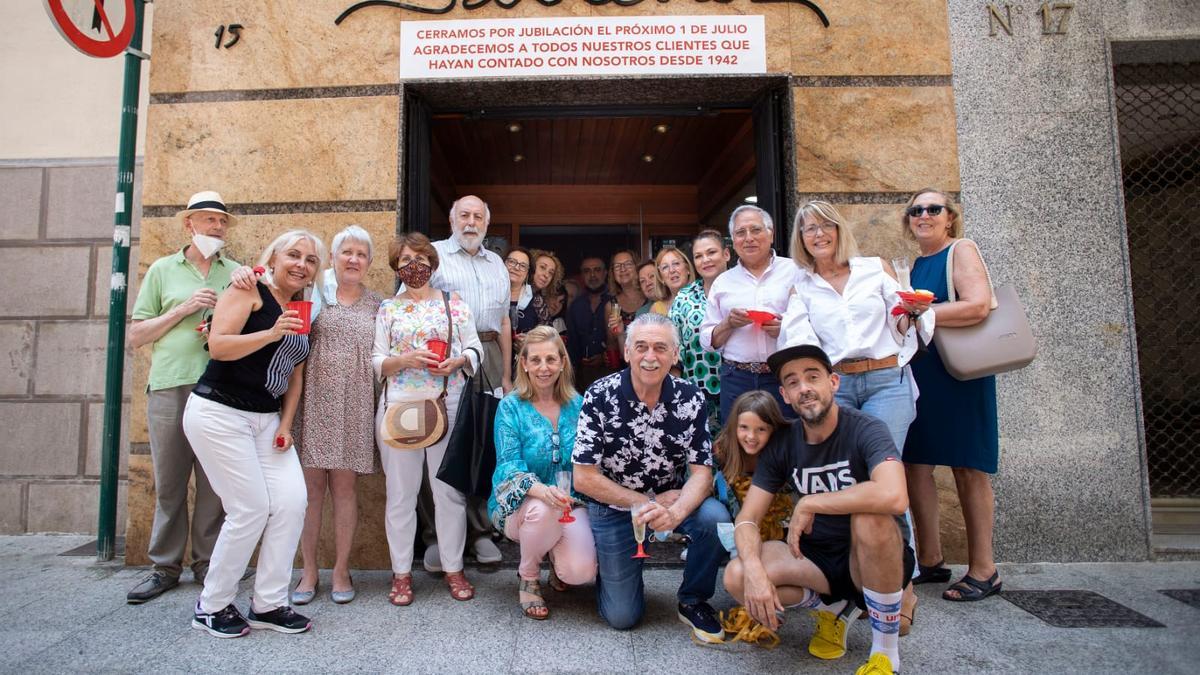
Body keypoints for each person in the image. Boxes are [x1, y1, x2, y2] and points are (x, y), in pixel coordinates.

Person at [780, 200, 933, 633]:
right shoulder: (803, 286)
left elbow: (907, 317)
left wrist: (914, 314)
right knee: (843, 479)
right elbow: (800, 339)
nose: (818, 235)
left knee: (885, 478)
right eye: (809, 229)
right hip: (839, 386)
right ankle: (853, 581)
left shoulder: (873, 268)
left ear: (838, 229)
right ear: (802, 239)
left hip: (886, 378)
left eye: (825, 226)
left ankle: (903, 585)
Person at [723, 344, 913, 675]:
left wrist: (812, 501)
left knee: (871, 516)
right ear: (784, 394)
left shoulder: (865, 428)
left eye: (812, 377)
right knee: (736, 575)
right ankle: (836, 605)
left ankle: (885, 655)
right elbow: (747, 518)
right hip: (817, 559)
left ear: (834, 382)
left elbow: (895, 496)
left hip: (870, 555)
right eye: (793, 382)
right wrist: (753, 569)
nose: (804, 388)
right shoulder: (784, 442)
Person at [182, 229, 326, 638]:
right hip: (219, 412)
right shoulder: (249, 290)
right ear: (275, 259)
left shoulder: (300, 307)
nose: (301, 264)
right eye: (294, 256)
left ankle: (268, 603)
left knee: (292, 502)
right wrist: (270, 333)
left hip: (266, 419)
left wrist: (285, 425)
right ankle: (211, 606)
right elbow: (218, 346)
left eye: (310, 260)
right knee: (249, 508)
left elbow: (295, 375)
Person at [572, 313, 731, 642]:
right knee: (623, 617)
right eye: (641, 346)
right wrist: (648, 502)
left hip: (671, 502)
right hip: (614, 506)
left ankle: (693, 599)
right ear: (627, 351)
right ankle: (614, 571)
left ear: (675, 355)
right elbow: (584, 478)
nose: (650, 356)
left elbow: (702, 473)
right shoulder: (599, 395)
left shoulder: (691, 398)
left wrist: (673, 513)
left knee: (715, 519)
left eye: (660, 348)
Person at [125, 191, 241, 604]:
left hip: (221, 387)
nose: (218, 228)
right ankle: (164, 566)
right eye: (210, 220)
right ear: (189, 224)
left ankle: (207, 562)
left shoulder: (236, 272)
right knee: (170, 481)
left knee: (215, 483)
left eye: (223, 222)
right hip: (170, 385)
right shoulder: (162, 270)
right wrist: (183, 309)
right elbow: (136, 335)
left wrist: (220, 332)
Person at [898, 188, 1002, 603]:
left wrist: (924, 312)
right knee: (916, 465)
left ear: (949, 217)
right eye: (916, 210)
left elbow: (978, 305)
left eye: (933, 209)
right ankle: (931, 559)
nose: (924, 215)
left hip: (961, 372)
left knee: (967, 466)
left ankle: (984, 569)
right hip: (924, 373)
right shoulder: (917, 264)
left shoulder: (961, 250)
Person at [374, 232, 483, 606]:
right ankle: (401, 573)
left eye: (419, 258)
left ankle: (454, 568)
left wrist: (460, 361)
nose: (413, 266)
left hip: (445, 403)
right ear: (396, 267)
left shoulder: (454, 304)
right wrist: (404, 360)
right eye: (404, 260)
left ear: (432, 264)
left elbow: (474, 347)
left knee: (448, 494)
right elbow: (376, 361)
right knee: (400, 496)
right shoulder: (388, 309)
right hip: (398, 407)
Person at [290, 226, 383, 606]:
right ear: (333, 258)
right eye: (347, 252)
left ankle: (342, 569)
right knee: (310, 494)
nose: (354, 259)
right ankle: (309, 571)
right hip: (313, 403)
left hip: (356, 404)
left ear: (369, 263)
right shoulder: (313, 296)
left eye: (361, 253)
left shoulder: (379, 304)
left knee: (345, 491)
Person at [490, 326, 597, 620]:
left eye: (551, 359)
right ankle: (528, 575)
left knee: (580, 572)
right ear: (523, 363)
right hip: (521, 505)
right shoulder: (510, 407)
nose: (543, 367)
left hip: (570, 502)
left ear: (562, 362)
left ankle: (555, 559)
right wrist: (541, 491)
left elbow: (591, 460)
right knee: (542, 510)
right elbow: (508, 463)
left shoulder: (579, 405)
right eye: (535, 360)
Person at [426, 195, 509, 568]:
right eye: (464, 215)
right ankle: (434, 537)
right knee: (439, 446)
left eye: (478, 216)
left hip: (488, 356)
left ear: (487, 224)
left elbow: (504, 322)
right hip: (445, 355)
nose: (471, 222)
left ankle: (479, 532)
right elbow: (408, 304)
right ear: (452, 218)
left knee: (480, 445)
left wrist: (507, 374)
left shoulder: (497, 265)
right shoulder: (432, 254)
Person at [700, 205, 801, 423]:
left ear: (770, 234)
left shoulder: (796, 271)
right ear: (733, 241)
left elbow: (816, 323)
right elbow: (708, 341)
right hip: (737, 377)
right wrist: (728, 323)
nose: (748, 238)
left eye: (755, 230)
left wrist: (787, 329)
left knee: (788, 445)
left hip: (784, 374)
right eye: (740, 233)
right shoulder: (723, 281)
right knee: (738, 447)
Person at [713, 391, 794, 546]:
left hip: (778, 529)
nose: (751, 436)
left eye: (761, 429)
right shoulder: (723, 449)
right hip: (733, 526)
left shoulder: (784, 451)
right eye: (744, 427)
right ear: (734, 426)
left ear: (773, 429)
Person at [669, 231, 729, 432]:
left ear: (726, 254)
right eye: (698, 256)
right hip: (696, 392)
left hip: (741, 389)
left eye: (711, 252)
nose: (705, 260)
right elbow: (673, 349)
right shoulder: (685, 297)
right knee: (701, 458)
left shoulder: (744, 289)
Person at [567, 256, 615, 389]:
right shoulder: (576, 306)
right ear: (582, 275)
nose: (592, 275)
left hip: (612, 373)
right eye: (587, 271)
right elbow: (572, 343)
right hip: (582, 378)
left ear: (605, 273)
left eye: (597, 270)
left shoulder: (615, 301)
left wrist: (603, 356)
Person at [506, 246, 546, 354]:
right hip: (494, 359)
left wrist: (531, 341)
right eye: (512, 262)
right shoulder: (490, 294)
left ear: (528, 273)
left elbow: (548, 335)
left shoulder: (536, 300)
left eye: (523, 266)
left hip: (525, 360)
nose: (516, 267)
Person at [605, 249, 646, 342]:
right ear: (613, 274)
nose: (622, 269)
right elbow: (611, 343)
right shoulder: (611, 306)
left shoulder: (650, 296)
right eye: (617, 266)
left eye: (628, 264)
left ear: (637, 267)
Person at [653, 247, 693, 315]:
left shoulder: (706, 296)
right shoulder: (656, 310)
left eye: (676, 263)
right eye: (665, 267)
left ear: (688, 269)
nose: (671, 270)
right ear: (661, 278)